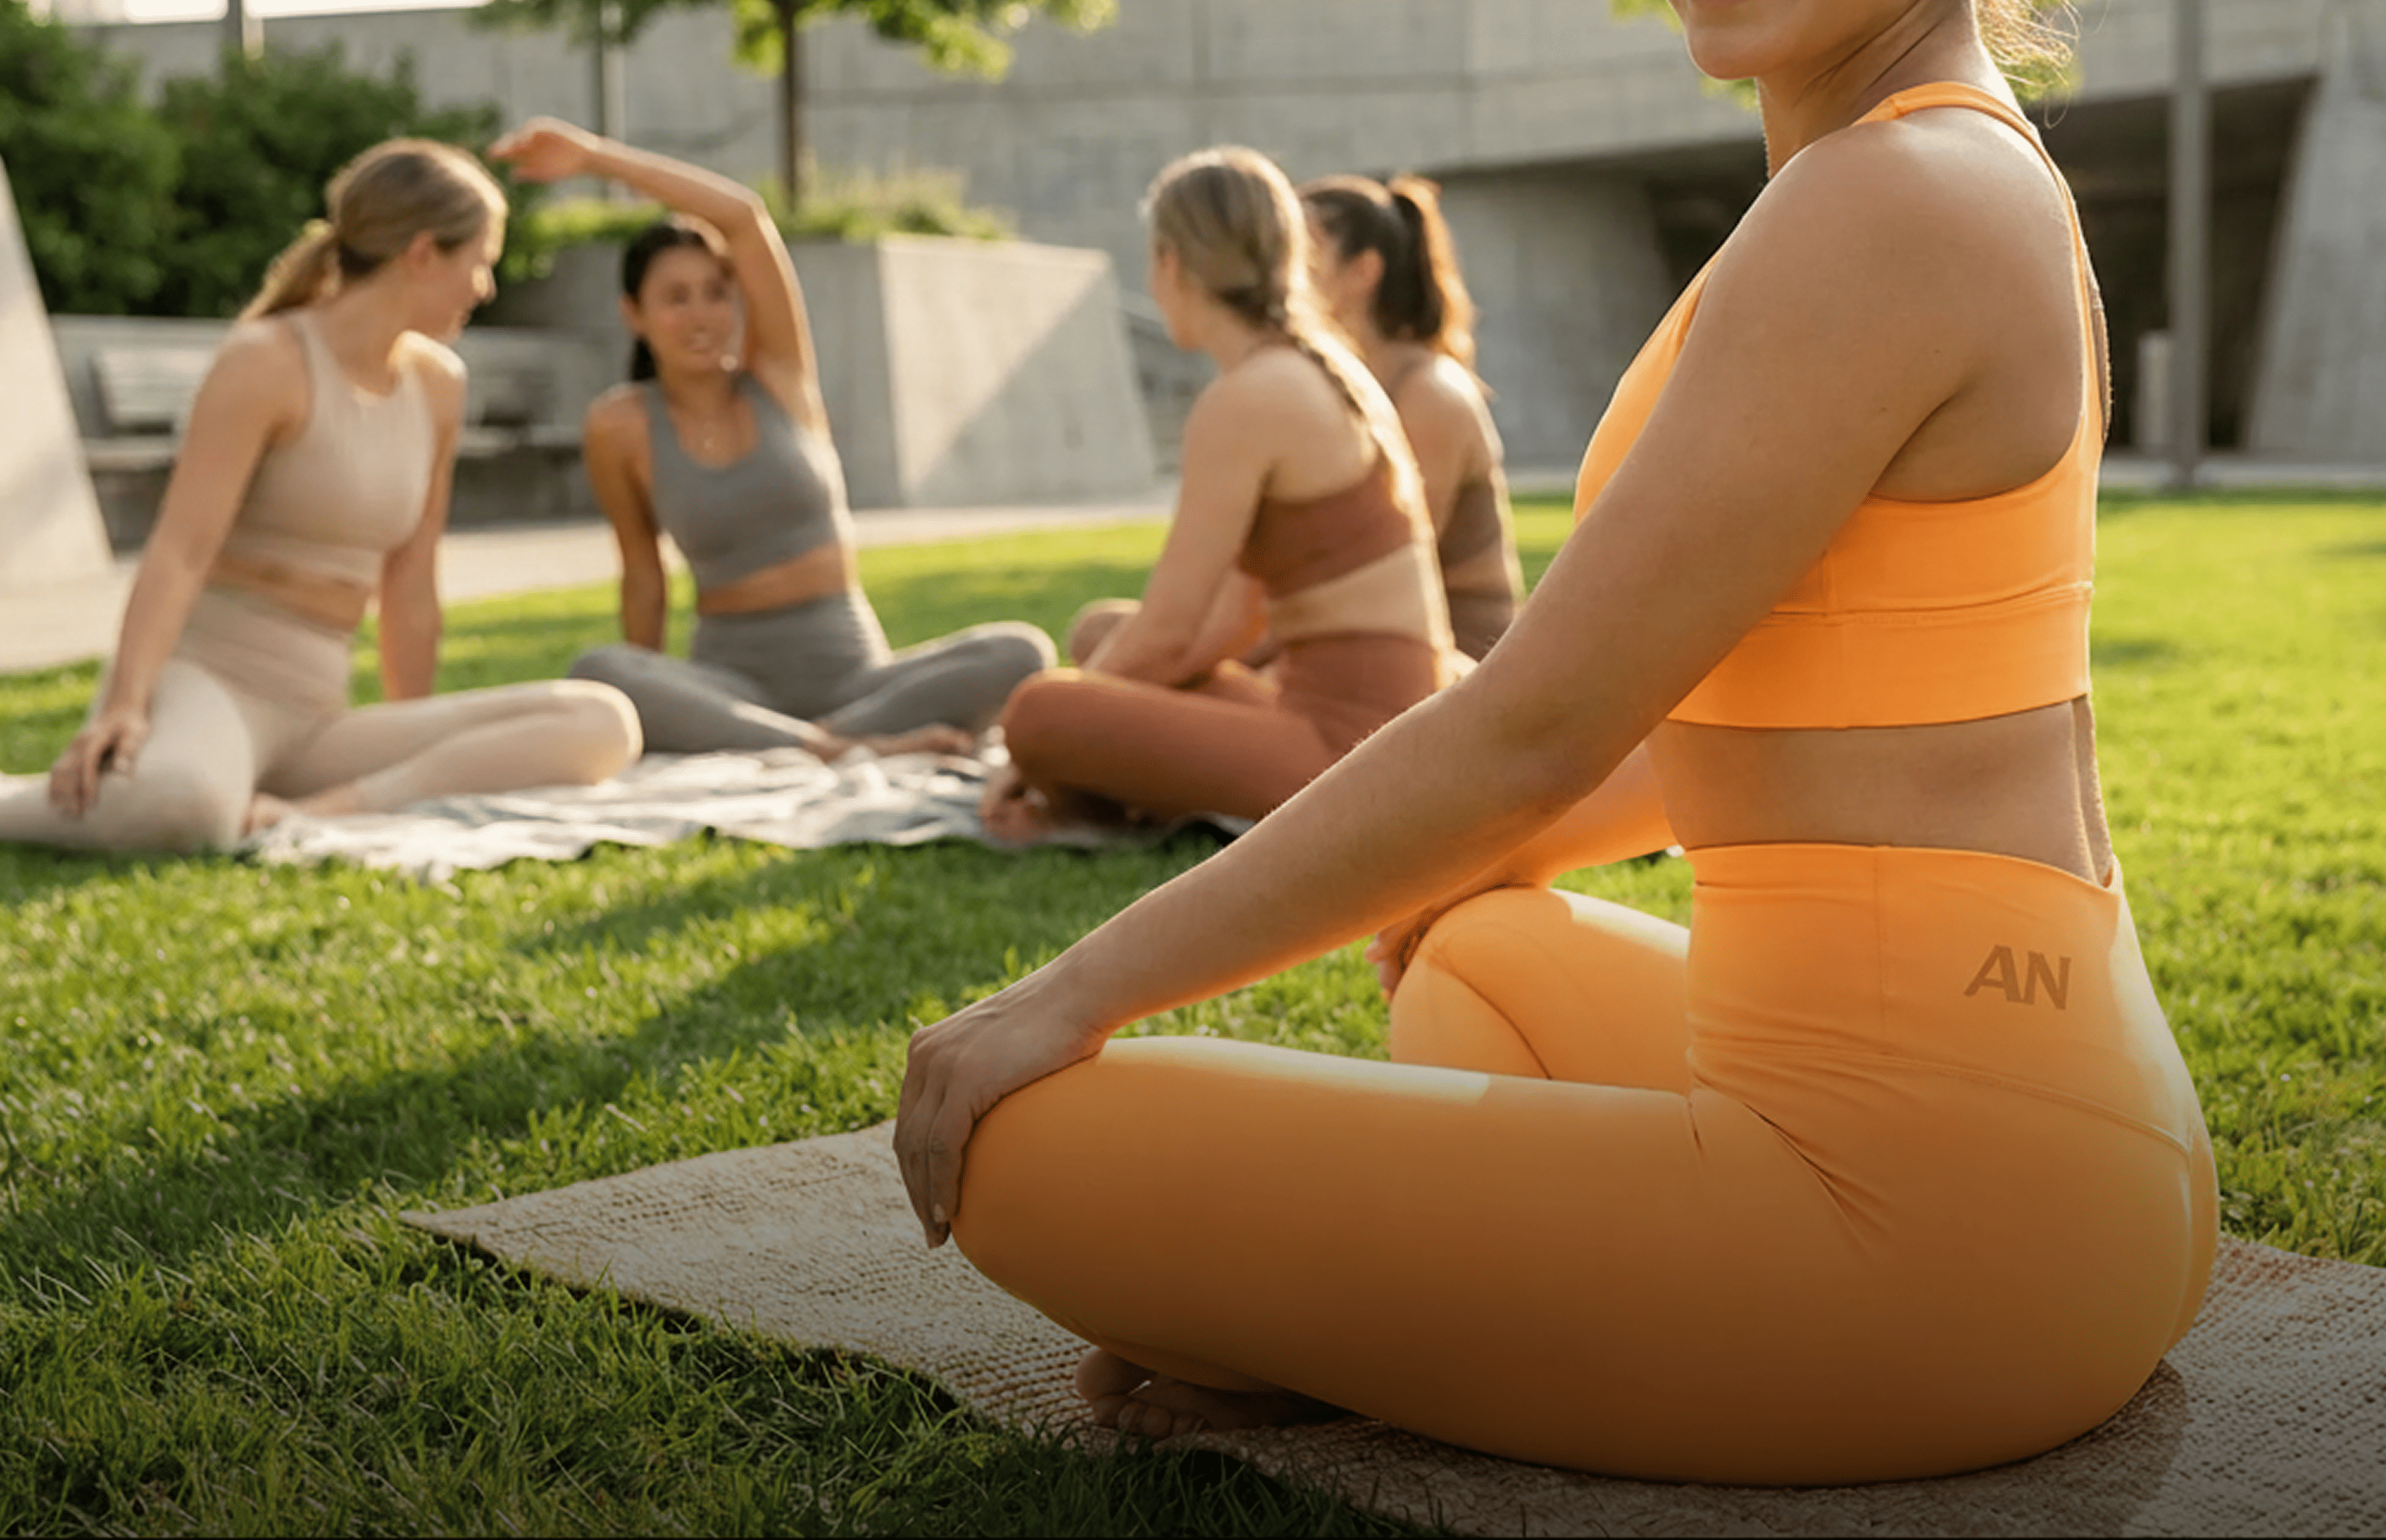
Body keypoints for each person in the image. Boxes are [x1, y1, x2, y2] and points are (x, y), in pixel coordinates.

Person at [892, 0, 2219, 1487]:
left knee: (1015, 1145)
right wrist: (1455, 863)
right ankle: (1434, 1312)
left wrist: (1063, 994)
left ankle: (1384, 1327)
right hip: (2075, 1144)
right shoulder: (1943, 168)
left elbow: (1535, 727)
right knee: (1475, 948)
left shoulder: (1885, 196)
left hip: (1942, 1235)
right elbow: (1733, 722)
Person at [0, 140, 641, 855]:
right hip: (204, 683)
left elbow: (411, 580)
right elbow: (181, 548)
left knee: (602, 721)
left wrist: (415, 735)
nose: (485, 286)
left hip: (314, 719)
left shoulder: (439, 385)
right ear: (424, 252)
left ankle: (340, 806)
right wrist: (124, 703)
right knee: (185, 810)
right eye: (481, 261)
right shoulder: (265, 362)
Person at [486, 121, 1055, 765]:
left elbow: (745, 219)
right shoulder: (619, 427)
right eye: (675, 298)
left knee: (1022, 650)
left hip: (859, 681)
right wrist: (649, 707)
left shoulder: (783, 380)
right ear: (633, 315)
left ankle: (822, 742)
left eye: (716, 293)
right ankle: (831, 747)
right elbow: (643, 577)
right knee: (601, 670)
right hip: (734, 686)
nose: (701, 315)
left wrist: (596, 158)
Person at [977, 148, 1453, 845]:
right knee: (1099, 636)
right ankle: (1104, 789)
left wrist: (1052, 727)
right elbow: (1229, 623)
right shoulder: (1315, 369)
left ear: (1170, 263)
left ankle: (1085, 795)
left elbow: (1171, 631)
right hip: (1376, 726)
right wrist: (1114, 692)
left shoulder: (1248, 399)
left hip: (1353, 751)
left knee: (1038, 711)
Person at [1299, 173, 1524, 660]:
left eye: (1301, 256)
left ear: (1362, 272)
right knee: (1103, 629)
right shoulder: (1328, 384)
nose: (1278, 274)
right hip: (1349, 644)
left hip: (1455, 668)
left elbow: (1388, 567)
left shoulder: (1432, 394)